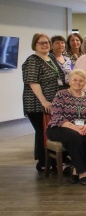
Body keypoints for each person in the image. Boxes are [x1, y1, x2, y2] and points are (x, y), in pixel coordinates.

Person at [45, 69, 86, 185]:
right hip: (59, 127)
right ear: (69, 81)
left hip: (82, 127)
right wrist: (75, 128)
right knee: (74, 136)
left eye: (81, 81)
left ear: (85, 83)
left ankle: (76, 169)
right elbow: (57, 116)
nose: (77, 83)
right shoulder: (61, 94)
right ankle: (82, 172)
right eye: (74, 80)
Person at [22, 33, 64, 172]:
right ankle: (48, 163)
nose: (45, 45)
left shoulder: (50, 57)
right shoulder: (33, 60)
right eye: (41, 43)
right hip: (37, 104)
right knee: (43, 133)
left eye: (47, 42)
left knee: (45, 133)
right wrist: (44, 101)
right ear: (35, 45)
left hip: (52, 103)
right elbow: (33, 82)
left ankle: (44, 162)